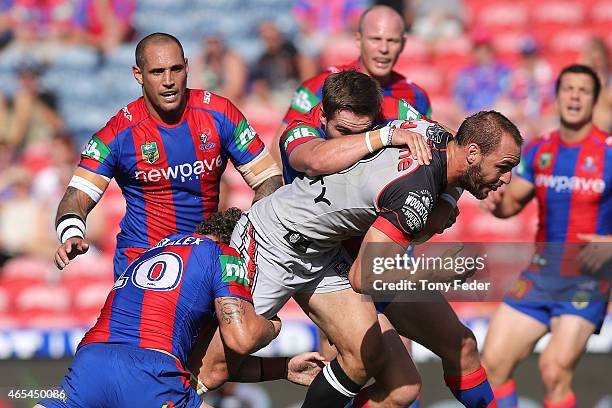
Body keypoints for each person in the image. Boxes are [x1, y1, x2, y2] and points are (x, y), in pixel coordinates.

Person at [199, 71, 522, 408]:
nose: (507, 178)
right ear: (472, 153)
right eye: (503, 166)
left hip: (324, 253)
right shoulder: (414, 191)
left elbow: (450, 173)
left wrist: (445, 203)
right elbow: (365, 276)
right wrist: (437, 271)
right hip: (273, 243)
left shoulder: (431, 135)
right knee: (213, 371)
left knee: (387, 376)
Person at [36, 208, 325, 408]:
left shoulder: (154, 250)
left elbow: (209, 364)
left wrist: (282, 367)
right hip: (151, 371)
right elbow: (242, 337)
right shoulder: (225, 254)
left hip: (90, 362)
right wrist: (272, 326)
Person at [53, 32, 282, 278]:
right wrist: (72, 235)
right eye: (157, 72)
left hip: (206, 259)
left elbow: (269, 177)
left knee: (254, 317)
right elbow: (75, 198)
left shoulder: (220, 114)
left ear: (187, 67)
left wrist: (250, 232)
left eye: (175, 69)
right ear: (138, 74)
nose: (169, 80)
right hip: (142, 264)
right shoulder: (118, 134)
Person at [481, 64, 612, 408]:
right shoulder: (540, 151)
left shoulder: (609, 152)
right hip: (541, 274)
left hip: (587, 279)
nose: (574, 96)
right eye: (568, 88)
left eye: (583, 90)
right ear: (556, 96)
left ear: (594, 100)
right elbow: (510, 204)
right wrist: (496, 201)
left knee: (553, 369)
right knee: (492, 363)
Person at [271, 4, 432, 163]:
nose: (384, 49)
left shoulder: (416, 95)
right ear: (358, 39)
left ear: (403, 44)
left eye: (392, 41)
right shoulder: (319, 85)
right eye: (375, 39)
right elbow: (280, 150)